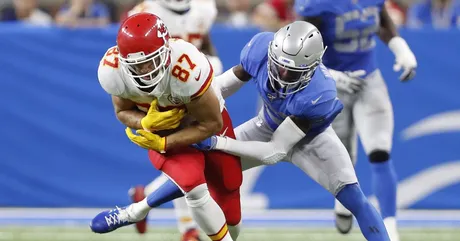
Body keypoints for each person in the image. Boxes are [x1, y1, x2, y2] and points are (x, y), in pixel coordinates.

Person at [93, 21, 393, 241]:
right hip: (266, 126)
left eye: (292, 72)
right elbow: (230, 81)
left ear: (313, 68)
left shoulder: (320, 93)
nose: (281, 75)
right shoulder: (262, 49)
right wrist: (206, 98)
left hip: (311, 141)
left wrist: (216, 141)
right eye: (279, 66)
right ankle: (137, 209)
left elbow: (275, 151)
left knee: (355, 200)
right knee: (201, 173)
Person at [90, 13, 242, 241]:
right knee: (192, 184)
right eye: (137, 65)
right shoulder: (113, 71)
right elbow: (122, 112)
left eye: (150, 60)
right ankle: (185, 231)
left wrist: (165, 143)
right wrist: (143, 122)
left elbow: (212, 123)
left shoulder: (187, 66)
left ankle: (136, 209)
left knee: (230, 201)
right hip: (164, 132)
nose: (145, 70)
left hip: (200, 126)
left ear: (166, 50)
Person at [294, 0, 418, 240]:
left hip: (369, 80)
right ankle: (343, 203)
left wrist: (400, 47)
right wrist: (332, 76)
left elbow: (381, 20)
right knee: (342, 156)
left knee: (380, 151)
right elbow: (299, 48)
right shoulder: (318, 5)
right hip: (330, 85)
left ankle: (390, 227)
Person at [126, 1, 223, 238]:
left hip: (192, 84)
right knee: (185, 155)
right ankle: (188, 228)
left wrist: (210, 64)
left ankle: (146, 196)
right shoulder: (143, 15)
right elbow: (126, 57)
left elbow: (205, 42)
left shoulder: (203, 8)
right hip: (160, 90)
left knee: (199, 155)